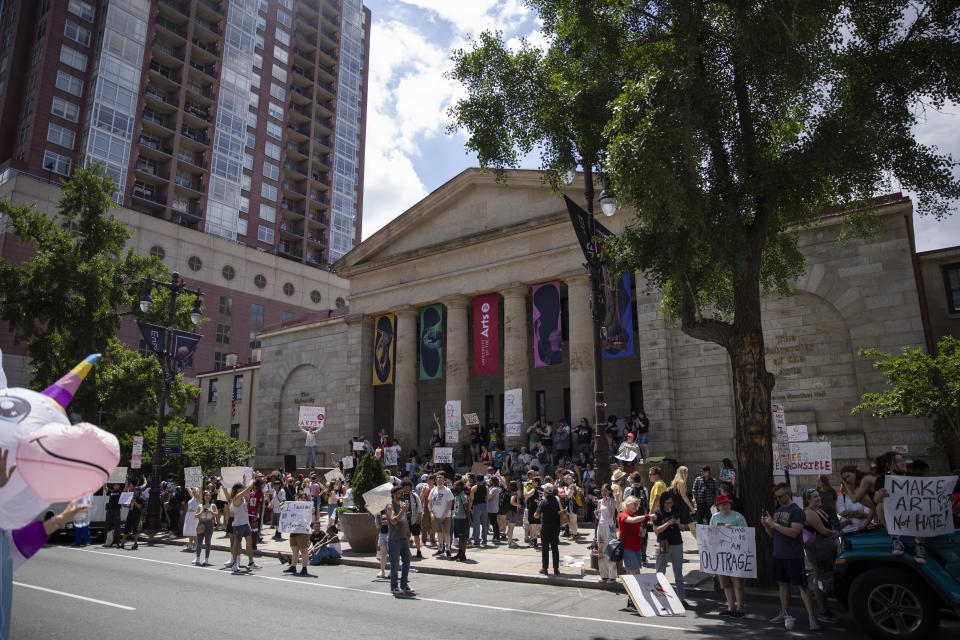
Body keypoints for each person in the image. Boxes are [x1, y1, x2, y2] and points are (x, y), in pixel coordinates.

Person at [762, 483, 818, 631]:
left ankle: (812, 617)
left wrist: (773, 524)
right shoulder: (778, 511)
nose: (778, 499)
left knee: (801, 585)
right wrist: (767, 526)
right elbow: (773, 535)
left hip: (793, 555)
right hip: (779, 554)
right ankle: (785, 613)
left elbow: (794, 532)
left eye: (780, 496)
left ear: (788, 494)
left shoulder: (797, 511)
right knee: (782, 584)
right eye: (776, 497)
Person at [802, 488, 840, 624]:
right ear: (808, 500)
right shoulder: (809, 513)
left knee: (825, 578)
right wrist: (836, 533)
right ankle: (824, 611)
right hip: (818, 551)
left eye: (818, 496)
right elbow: (823, 531)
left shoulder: (818, 510)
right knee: (821, 579)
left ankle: (825, 609)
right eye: (815, 497)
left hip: (825, 549)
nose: (818, 499)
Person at [709, 494, 747, 616]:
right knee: (725, 584)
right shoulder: (714, 518)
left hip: (735, 554)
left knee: (738, 583)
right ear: (718, 506)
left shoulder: (737, 517)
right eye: (722, 504)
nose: (725, 506)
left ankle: (740, 609)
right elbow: (710, 533)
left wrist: (732, 529)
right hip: (721, 555)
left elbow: (745, 533)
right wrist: (723, 528)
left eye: (727, 504)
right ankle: (731, 608)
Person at [618, 496, 655, 611]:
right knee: (632, 574)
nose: (634, 506)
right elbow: (631, 521)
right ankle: (631, 601)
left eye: (636, 504)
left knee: (637, 573)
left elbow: (642, 534)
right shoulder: (623, 515)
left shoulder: (636, 517)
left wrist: (645, 527)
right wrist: (646, 516)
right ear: (627, 504)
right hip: (628, 547)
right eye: (632, 504)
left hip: (637, 547)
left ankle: (634, 599)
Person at [653, 492, 690, 607]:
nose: (670, 504)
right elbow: (656, 530)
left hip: (677, 543)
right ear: (663, 502)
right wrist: (668, 523)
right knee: (660, 571)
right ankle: (660, 597)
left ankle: (681, 598)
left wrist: (679, 524)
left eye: (671, 502)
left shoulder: (676, 511)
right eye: (667, 502)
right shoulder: (658, 513)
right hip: (663, 542)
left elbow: (684, 528)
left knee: (678, 573)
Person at [386, 484, 415, 596]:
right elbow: (393, 521)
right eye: (399, 493)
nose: (401, 494)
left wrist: (408, 532)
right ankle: (394, 586)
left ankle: (404, 584)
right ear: (394, 494)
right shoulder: (390, 506)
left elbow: (404, 520)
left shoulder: (403, 504)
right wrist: (402, 511)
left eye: (402, 493)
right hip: (394, 539)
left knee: (407, 560)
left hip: (403, 538)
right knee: (395, 564)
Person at [228, 478, 261, 573]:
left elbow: (248, 494)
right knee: (237, 544)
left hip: (245, 523)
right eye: (241, 488)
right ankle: (234, 563)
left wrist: (247, 480)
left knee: (249, 542)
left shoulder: (242, 499)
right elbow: (247, 490)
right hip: (238, 524)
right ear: (237, 490)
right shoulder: (236, 498)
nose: (242, 489)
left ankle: (251, 561)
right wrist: (252, 480)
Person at [536, 483, 562, 575]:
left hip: (546, 527)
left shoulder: (543, 501)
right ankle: (556, 568)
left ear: (545, 492)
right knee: (555, 547)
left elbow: (536, 514)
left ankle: (545, 568)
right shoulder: (556, 500)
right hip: (556, 526)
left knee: (545, 548)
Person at [595, 483, 619, 582]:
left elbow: (610, 514)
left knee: (610, 550)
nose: (603, 493)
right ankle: (603, 574)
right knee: (601, 549)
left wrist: (608, 501)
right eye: (602, 491)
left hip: (609, 527)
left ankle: (612, 575)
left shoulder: (612, 501)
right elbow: (599, 517)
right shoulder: (599, 502)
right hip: (601, 526)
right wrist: (596, 514)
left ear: (609, 491)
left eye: (605, 490)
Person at [428, 473, 454, 557]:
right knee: (439, 532)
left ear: (443, 481)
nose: (439, 481)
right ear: (435, 481)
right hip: (436, 515)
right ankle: (440, 548)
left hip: (445, 516)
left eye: (441, 480)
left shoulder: (447, 490)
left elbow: (450, 503)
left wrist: (445, 514)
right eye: (438, 480)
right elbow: (430, 502)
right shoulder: (433, 490)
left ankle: (448, 549)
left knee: (446, 532)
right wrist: (431, 512)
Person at [193, 491, 217, 566]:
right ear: (203, 496)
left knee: (208, 542)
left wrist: (210, 512)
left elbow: (216, 514)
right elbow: (196, 515)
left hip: (209, 523)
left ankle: (206, 559)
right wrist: (201, 512)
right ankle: (197, 558)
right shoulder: (200, 506)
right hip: (201, 522)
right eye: (206, 495)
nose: (208, 497)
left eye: (209, 495)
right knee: (199, 541)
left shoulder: (212, 505)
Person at [452, 480, 470, 562]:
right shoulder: (457, 495)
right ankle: (459, 553)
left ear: (460, 486)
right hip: (457, 518)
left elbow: (467, 508)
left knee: (464, 538)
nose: (454, 486)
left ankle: (463, 554)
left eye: (455, 485)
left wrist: (469, 520)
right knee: (460, 537)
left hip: (463, 519)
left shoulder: (463, 495)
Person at [468, 473, 489, 546]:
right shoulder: (486, 487)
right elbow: (487, 498)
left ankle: (476, 541)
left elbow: (471, 499)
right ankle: (484, 540)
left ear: (476, 479)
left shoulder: (474, 488)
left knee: (476, 524)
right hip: (484, 506)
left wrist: (469, 507)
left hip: (476, 506)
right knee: (484, 524)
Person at [486, 475, 502, 543]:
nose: (489, 481)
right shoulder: (492, 488)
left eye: (490, 480)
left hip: (493, 508)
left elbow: (489, 497)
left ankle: (497, 537)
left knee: (494, 523)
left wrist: (486, 489)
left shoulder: (495, 489)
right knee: (493, 523)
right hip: (490, 508)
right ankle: (495, 536)